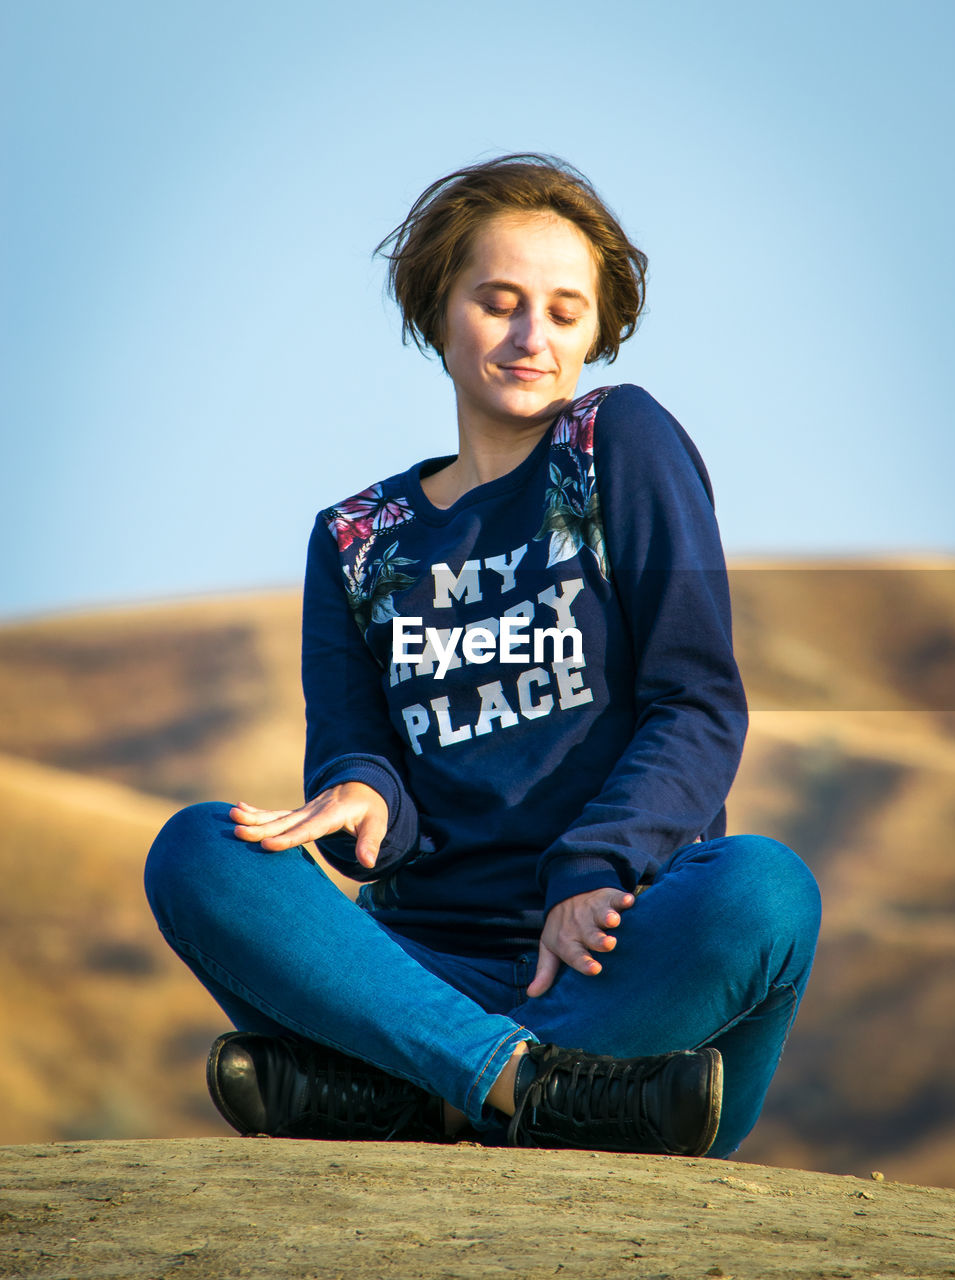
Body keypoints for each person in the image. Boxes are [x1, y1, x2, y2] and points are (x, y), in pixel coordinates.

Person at [144, 153, 821, 1158]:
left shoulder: (614, 443)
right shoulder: (357, 537)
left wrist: (594, 869)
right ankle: (528, 1089)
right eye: (497, 301)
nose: (528, 336)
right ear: (439, 311)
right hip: (416, 968)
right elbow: (353, 748)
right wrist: (359, 793)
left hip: (612, 960)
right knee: (198, 848)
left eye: (561, 309)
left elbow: (696, 701)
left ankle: (426, 1097)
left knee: (765, 889)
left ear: (597, 328)